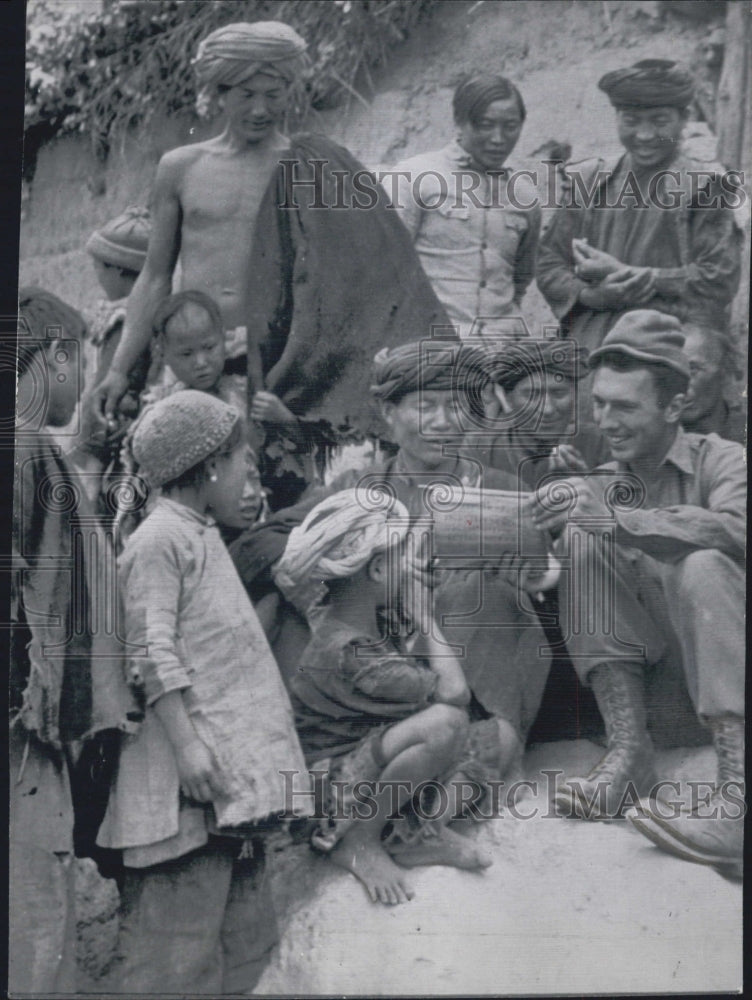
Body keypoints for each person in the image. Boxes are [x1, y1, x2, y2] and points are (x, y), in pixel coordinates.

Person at [95, 390, 310, 993]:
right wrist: (189, 749)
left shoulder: (199, 533)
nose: (252, 475)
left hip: (226, 801)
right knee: (175, 960)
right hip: (182, 800)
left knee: (247, 947)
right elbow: (150, 650)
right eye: (243, 459)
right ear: (210, 465)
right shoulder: (160, 541)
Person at [530, 311, 744, 879]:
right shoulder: (597, 480)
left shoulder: (723, 460)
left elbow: (737, 530)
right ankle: (630, 755)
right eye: (599, 404)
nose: (606, 421)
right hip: (665, 702)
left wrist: (623, 520)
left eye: (625, 407)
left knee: (702, 564)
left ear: (674, 407)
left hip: (733, 696)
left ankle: (738, 799)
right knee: (579, 537)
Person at [329, 342, 556, 782]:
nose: (441, 422)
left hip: (480, 676)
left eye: (454, 406)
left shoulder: (502, 488)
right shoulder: (356, 490)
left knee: (479, 591)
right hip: (388, 664)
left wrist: (533, 575)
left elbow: (544, 572)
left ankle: (476, 749)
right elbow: (297, 553)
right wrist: (390, 577)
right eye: (424, 406)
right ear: (388, 413)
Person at [272, 489, 492, 906]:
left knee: (491, 742)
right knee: (447, 725)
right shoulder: (347, 650)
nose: (406, 568)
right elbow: (453, 692)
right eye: (398, 558)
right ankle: (361, 842)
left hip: (360, 768)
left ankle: (415, 834)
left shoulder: (347, 620)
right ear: (375, 569)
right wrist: (426, 616)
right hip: (328, 792)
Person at [11, 289, 136, 994]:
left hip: (33, 718)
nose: (85, 379)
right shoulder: (22, 448)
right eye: (82, 361)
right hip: (20, 726)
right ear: (58, 355)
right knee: (32, 909)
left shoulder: (33, 449)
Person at [91, 21, 309, 423]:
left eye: (273, 95)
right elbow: (155, 276)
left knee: (281, 481)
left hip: (275, 369)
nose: (260, 110)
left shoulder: (305, 168)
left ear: (288, 94)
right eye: (246, 95)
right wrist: (119, 368)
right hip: (194, 365)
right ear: (220, 94)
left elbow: (328, 280)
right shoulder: (181, 168)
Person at [536, 59, 742, 356]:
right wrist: (591, 296)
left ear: (684, 119)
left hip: (669, 347)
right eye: (631, 121)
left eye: (660, 122)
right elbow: (548, 262)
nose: (644, 135)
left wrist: (635, 275)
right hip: (589, 343)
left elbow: (719, 279)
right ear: (617, 117)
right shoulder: (590, 181)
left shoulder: (706, 188)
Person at [387, 74, 541, 339]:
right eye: (485, 125)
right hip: (434, 343)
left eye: (510, 126)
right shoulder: (414, 176)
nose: (498, 138)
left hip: (505, 343)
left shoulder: (525, 196)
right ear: (459, 122)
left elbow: (520, 278)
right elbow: (389, 268)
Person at [470, 339, 606, 488]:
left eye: (559, 393)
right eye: (532, 395)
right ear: (508, 399)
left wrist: (590, 486)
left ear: (575, 395)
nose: (547, 409)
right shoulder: (479, 448)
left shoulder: (601, 443)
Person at [680, 322, 746, 443]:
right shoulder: (650, 441)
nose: (679, 384)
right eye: (672, 371)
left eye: (693, 369)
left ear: (724, 373)